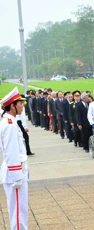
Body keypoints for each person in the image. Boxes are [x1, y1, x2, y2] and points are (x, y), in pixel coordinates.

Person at [0, 87, 29, 229]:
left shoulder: (9, 122)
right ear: (12, 106)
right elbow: (11, 152)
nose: (22, 106)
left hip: (14, 172)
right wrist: (17, 176)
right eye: (20, 103)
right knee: (18, 212)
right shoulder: (10, 125)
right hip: (14, 174)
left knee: (19, 210)